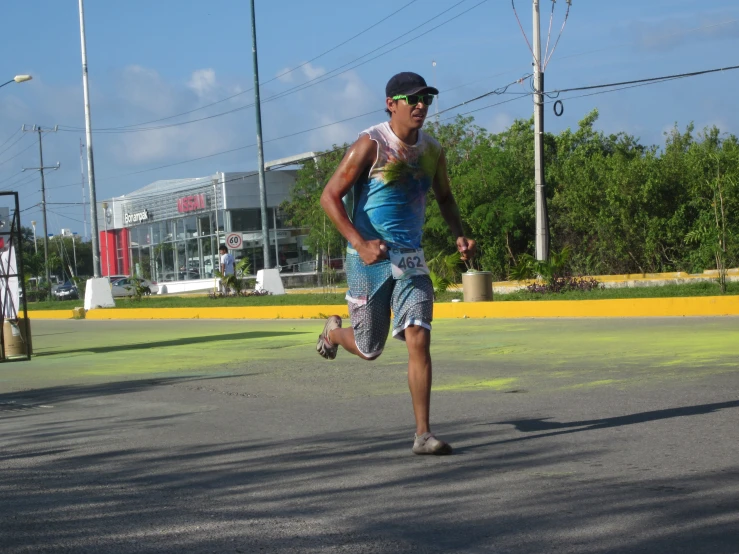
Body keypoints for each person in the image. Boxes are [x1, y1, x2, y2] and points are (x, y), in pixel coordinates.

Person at [317, 71, 476, 455]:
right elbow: (329, 197)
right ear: (392, 104)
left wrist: (459, 232)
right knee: (370, 348)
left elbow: (445, 197)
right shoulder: (370, 145)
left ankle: (423, 434)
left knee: (419, 336)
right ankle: (333, 332)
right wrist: (360, 242)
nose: (421, 106)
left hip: (411, 259)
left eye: (427, 100)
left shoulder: (433, 150)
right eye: (413, 99)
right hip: (368, 259)